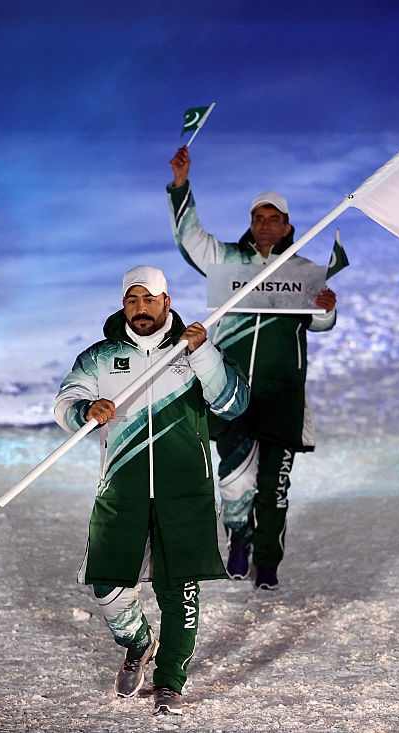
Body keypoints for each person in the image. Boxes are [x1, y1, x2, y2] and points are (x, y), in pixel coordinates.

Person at [54, 265, 248, 713]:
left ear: (166, 302)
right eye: (132, 300)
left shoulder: (194, 350)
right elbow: (65, 404)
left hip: (185, 493)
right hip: (121, 490)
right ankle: (138, 643)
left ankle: (170, 681)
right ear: (124, 304)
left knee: (180, 591)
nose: (140, 308)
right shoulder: (100, 357)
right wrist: (86, 409)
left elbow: (233, 404)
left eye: (149, 299)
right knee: (107, 584)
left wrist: (203, 354)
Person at [166, 145, 337, 592]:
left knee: (274, 487)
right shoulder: (227, 262)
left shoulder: (303, 272)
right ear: (251, 222)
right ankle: (238, 539)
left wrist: (326, 307)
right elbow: (190, 239)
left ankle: (268, 563)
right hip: (232, 392)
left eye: (273, 218)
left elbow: (321, 323)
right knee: (236, 481)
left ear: (287, 226)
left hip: (282, 396)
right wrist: (181, 185)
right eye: (258, 218)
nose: (265, 225)